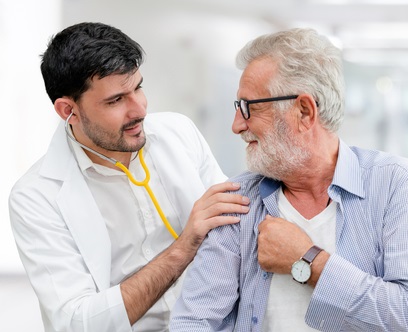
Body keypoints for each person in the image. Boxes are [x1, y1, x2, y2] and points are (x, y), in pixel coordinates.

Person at [171, 28, 408, 331]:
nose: (237, 125)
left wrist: (307, 261)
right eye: (237, 107)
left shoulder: (396, 184)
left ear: (304, 111)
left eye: (250, 107)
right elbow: (193, 321)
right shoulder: (237, 203)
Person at [8, 22, 249, 331]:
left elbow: (231, 230)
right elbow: (77, 322)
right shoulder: (36, 197)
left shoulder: (179, 133)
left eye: (138, 87)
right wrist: (184, 246)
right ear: (68, 110)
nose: (139, 110)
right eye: (116, 100)